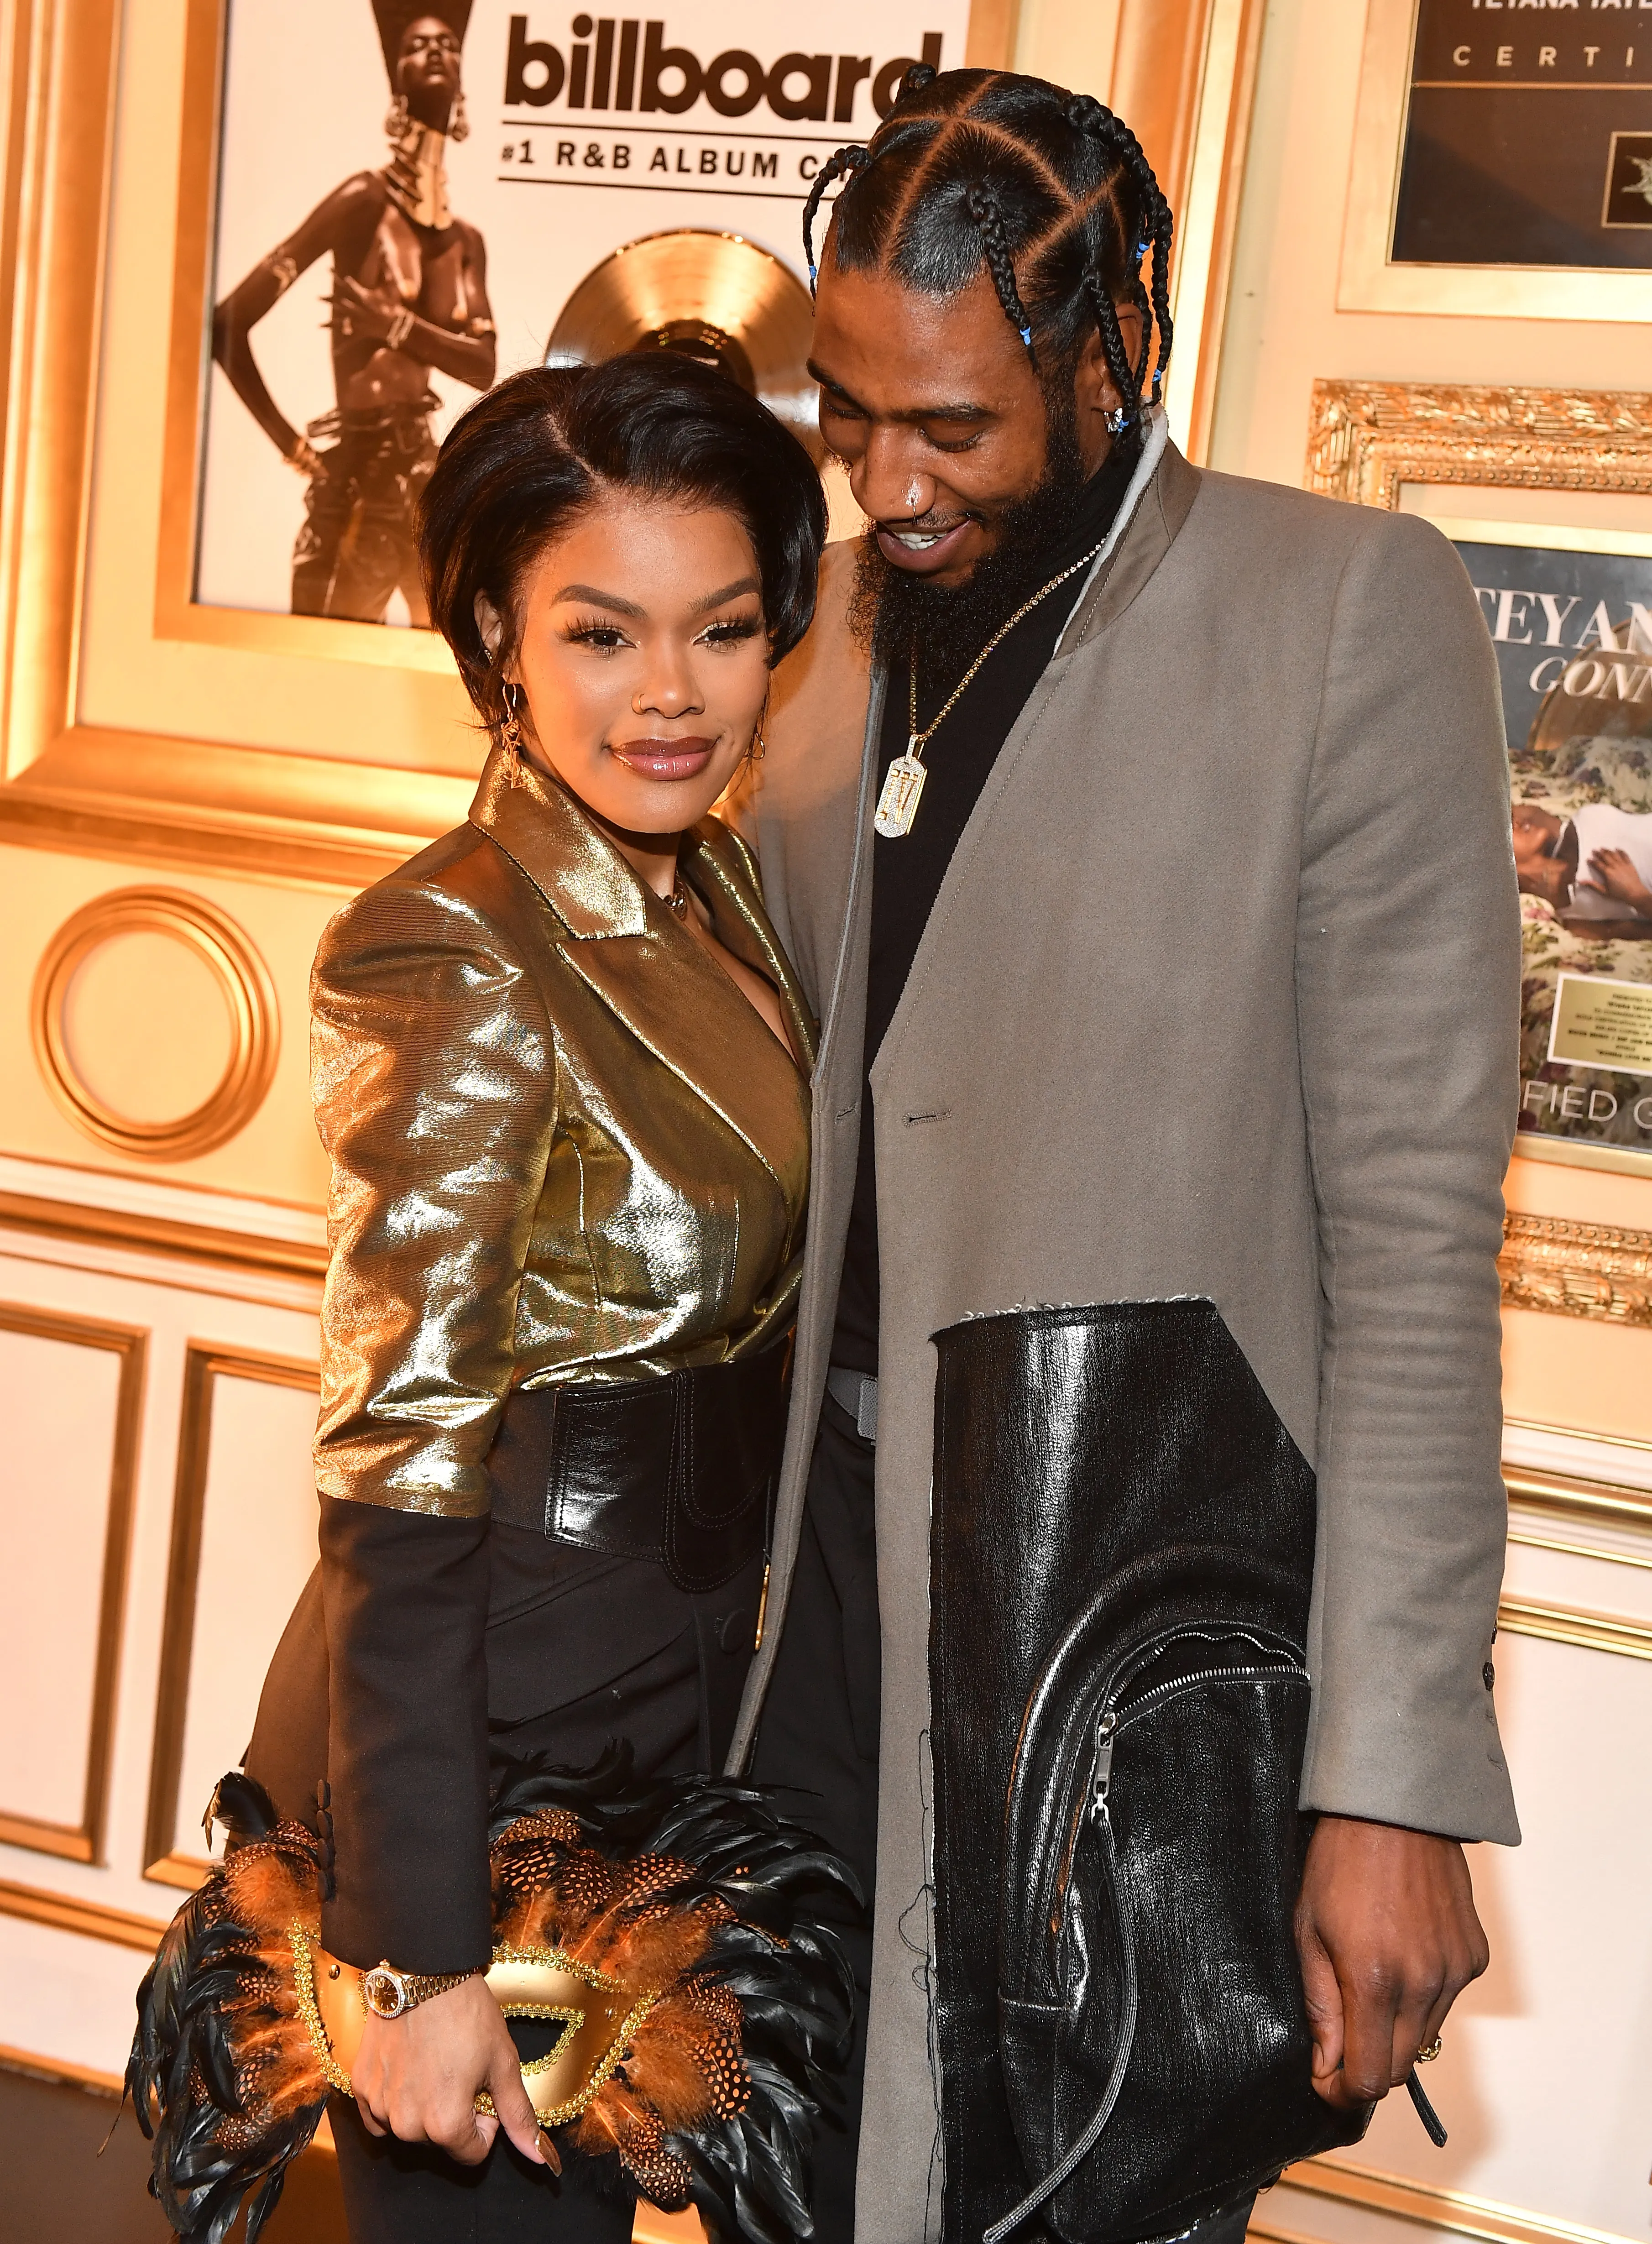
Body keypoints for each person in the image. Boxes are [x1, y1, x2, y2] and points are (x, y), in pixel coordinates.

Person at [732, 64, 1519, 2244]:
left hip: (1118, 1641)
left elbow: (1409, 1253)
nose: (887, 486)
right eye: (846, 415)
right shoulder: (796, 648)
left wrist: (1386, 1784)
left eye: (954, 429)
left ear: (1111, 355)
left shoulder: (1339, 614)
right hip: (809, 1621)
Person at [240, 350, 826, 2241]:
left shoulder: (713, 885)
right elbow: (396, 1466)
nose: (669, 693)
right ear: (499, 631)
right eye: (600, 631)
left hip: (669, 1704)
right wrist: (409, 1949)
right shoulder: (450, 933)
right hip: (496, 1745)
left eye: (722, 629)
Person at [212, 3, 495, 623]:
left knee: (444, 674)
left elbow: (483, 366)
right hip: (355, 487)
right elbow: (228, 323)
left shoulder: (464, 243)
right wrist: (291, 445)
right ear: (397, 78)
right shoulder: (361, 204)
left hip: (428, 487)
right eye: (418, 46)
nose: (436, 52)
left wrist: (395, 327)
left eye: (447, 43)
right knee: (319, 667)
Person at [1513, 797, 1652, 926]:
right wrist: (1639, 897)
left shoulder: (1565, 833)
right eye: (1501, 830)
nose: (1515, 822)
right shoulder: (1574, 918)